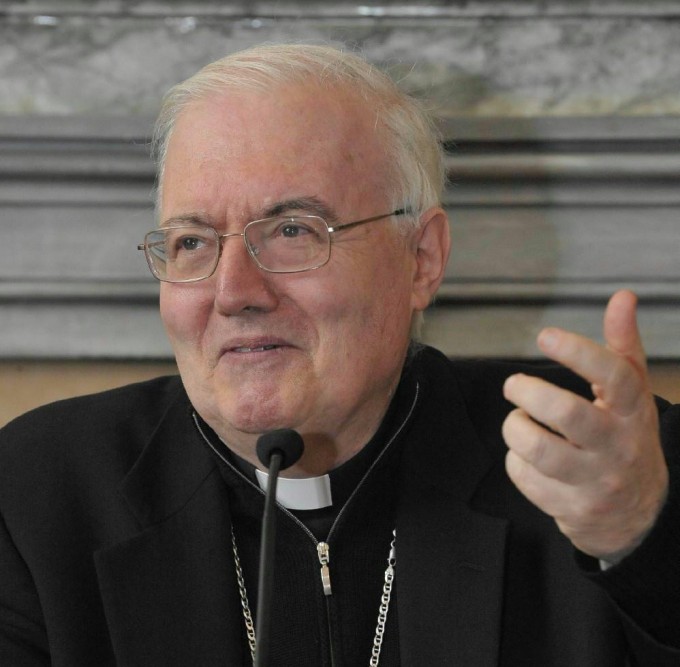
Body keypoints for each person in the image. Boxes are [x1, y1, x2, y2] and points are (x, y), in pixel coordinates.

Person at [0, 43, 678, 667]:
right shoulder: (36, 497)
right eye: (192, 242)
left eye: (293, 230)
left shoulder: (598, 462)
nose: (233, 293)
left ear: (421, 258)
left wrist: (638, 538)